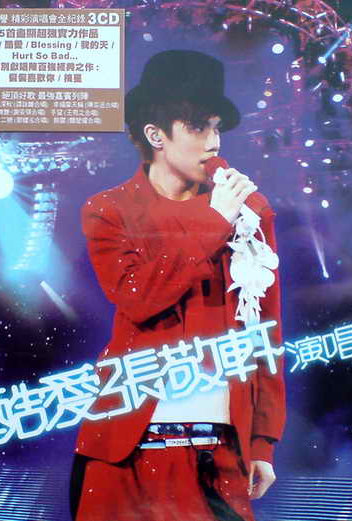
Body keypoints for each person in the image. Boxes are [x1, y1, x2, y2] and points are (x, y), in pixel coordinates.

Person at [70, 50, 285, 521]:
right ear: (156, 135)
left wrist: (263, 441)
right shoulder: (109, 210)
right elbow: (138, 298)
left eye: (217, 128)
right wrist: (213, 222)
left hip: (218, 452)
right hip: (126, 450)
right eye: (197, 128)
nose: (213, 143)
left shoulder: (251, 212)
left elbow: (266, 331)